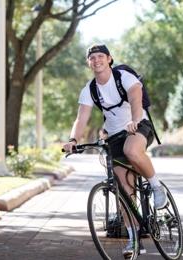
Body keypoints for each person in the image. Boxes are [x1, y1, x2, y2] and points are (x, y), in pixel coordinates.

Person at [62, 44, 168, 257]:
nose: (96, 60)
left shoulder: (123, 77)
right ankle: (133, 238)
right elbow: (81, 117)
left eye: (100, 56)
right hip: (114, 136)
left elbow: (136, 97)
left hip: (138, 125)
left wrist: (135, 120)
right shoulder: (90, 89)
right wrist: (73, 139)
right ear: (88, 63)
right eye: (92, 58)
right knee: (123, 190)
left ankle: (156, 187)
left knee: (132, 150)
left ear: (109, 59)